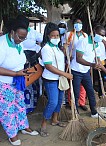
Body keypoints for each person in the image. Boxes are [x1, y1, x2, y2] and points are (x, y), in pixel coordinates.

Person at [0, 15, 38, 146]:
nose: (21, 40)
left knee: (20, 105)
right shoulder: (2, 44)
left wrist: (23, 70)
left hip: (17, 81)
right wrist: (15, 73)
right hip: (4, 83)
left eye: (24, 37)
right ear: (12, 32)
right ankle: (12, 135)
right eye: (20, 37)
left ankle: (23, 127)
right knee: (7, 110)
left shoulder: (18, 44)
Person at [71, 25, 106, 118]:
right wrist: (92, 65)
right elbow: (78, 59)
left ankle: (94, 112)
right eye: (99, 34)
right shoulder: (83, 41)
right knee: (76, 94)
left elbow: (98, 62)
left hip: (85, 72)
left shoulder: (97, 45)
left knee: (90, 92)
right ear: (94, 32)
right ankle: (76, 114)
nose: (101, 37)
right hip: (76, 71)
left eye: (103, 35)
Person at [40, 22, 73, 137]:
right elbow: (49, 66)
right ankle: (43, 124)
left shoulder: (58, 48)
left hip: (60, 78)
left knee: (59, 101)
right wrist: (65, 74)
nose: (56, 38)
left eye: (57, 36)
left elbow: (59, 61)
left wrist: (65, 51)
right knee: (53, 101)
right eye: (53, 36)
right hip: (50, 79)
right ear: (48, 36)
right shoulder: (46, 48)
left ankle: (55, 120)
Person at [67, 18, 88, 111]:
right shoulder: (69, 34)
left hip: (83, 63)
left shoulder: (85, 36)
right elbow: (65, 47)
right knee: (72, 83)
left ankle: (82, 102)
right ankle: (71, 102)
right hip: (72, 62)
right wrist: (67, 56)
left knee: (82, 85)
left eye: (80, 23)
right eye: (76, 23)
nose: (78, 25)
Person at [22, 23, 43, 114]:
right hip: (22, 64)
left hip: (33, 61)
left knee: (34, 83)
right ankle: (25, 106)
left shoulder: (35, 33)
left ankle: (34, 104)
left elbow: (43, 39)